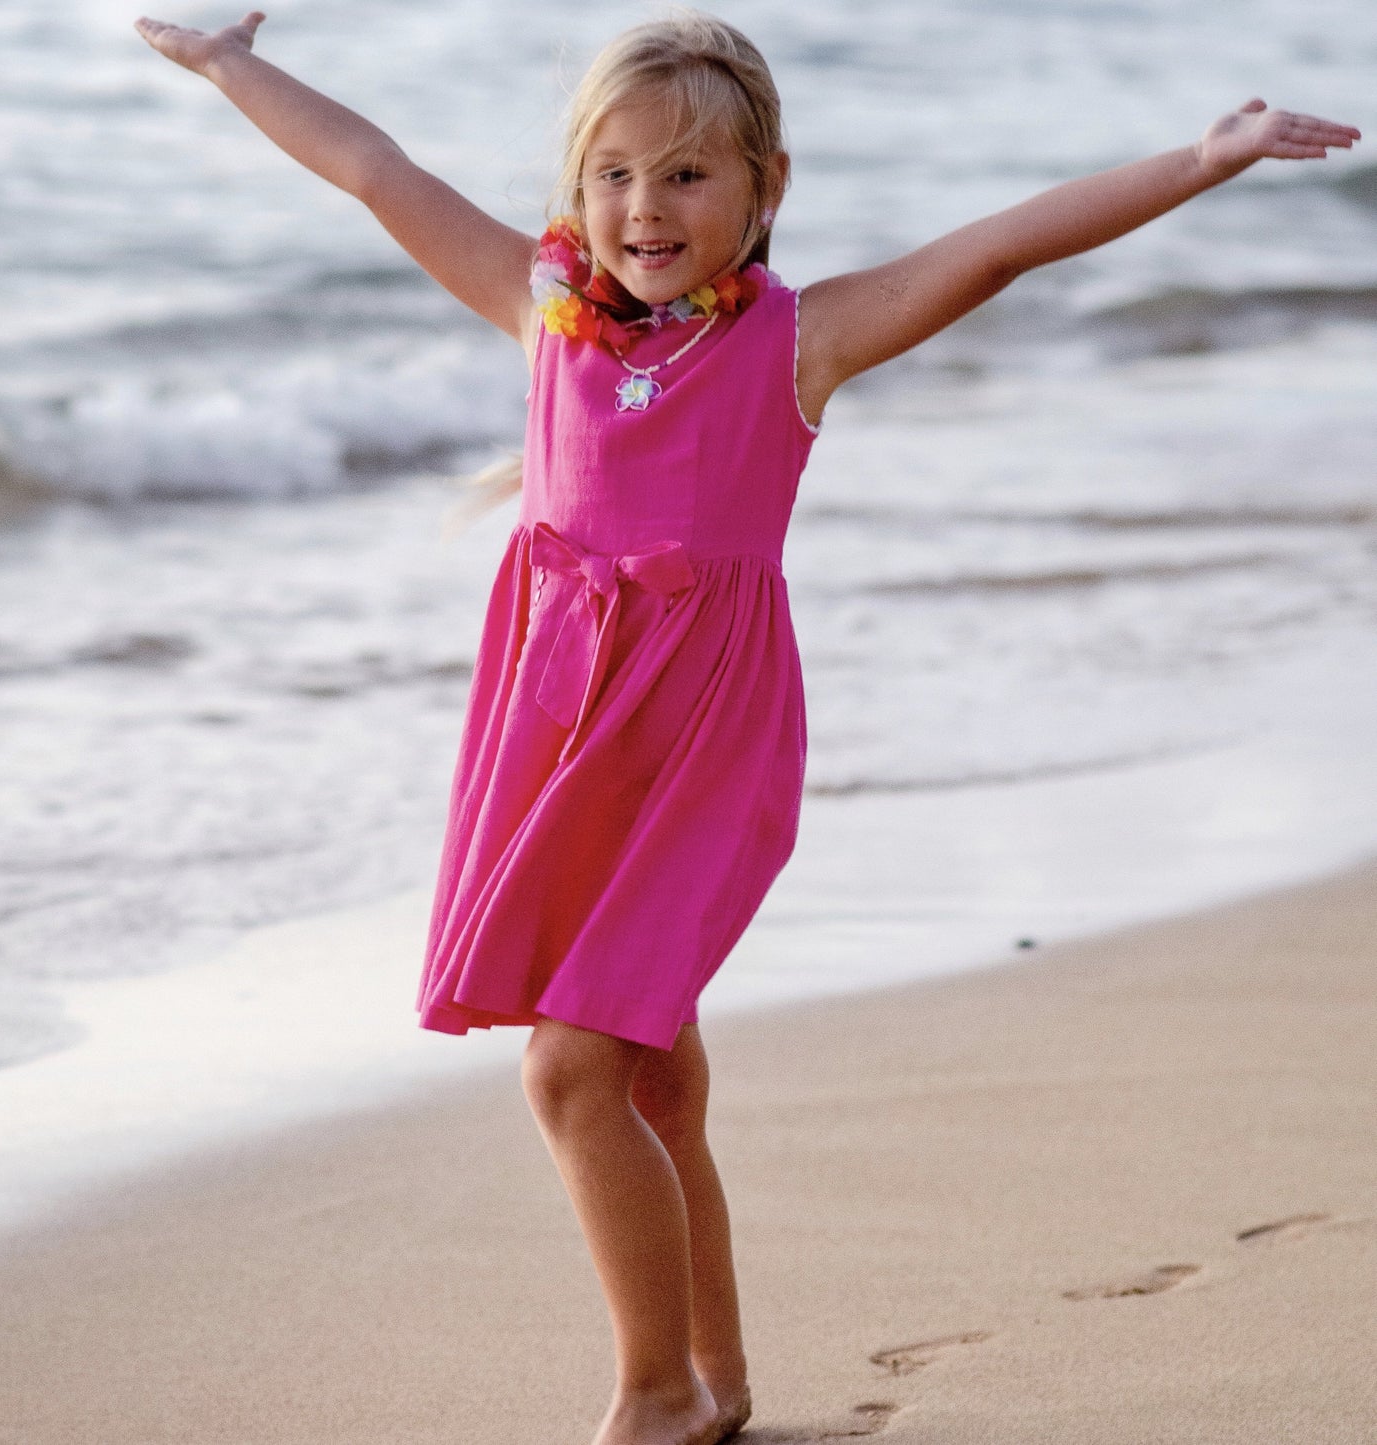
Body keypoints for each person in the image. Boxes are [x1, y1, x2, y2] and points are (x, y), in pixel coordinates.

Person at [133, 11, 1359, 1444]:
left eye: (686, 178)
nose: (643, 208)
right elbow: (371, 165)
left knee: (567, 1067)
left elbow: (994, 245)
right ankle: (714, 1382)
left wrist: (1200, 160)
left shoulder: (797, 343)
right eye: (612, 175)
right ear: (575, 190)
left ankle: (651, 1395)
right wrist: (230, 67)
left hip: (702, 757)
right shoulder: (544, 315)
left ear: (765, 189)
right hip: (565, 744)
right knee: (651, 1077)